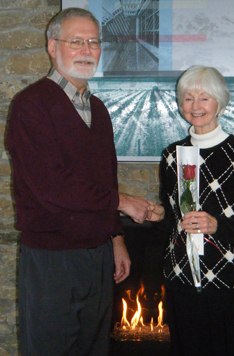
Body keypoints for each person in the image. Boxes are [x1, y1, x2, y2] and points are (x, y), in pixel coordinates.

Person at [7, 7, 152, 356]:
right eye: (76, 41)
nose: (87, 50)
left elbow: (105, 177)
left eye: (94, 42)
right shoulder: (31, 105)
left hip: (98, 255)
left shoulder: (98, 109)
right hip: (51, 259)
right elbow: (52, 187)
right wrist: (123, 202)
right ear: (52, 46)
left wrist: (116, 238)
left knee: (93, 349)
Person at [148, 65, 234, 356]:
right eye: (188, 97)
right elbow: (174, 222)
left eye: (204, 97)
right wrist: (158, 217)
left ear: (220, 103)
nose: (195, 106)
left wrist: (218, 226)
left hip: (233, 283)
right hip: (183, 280)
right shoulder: (172, 156)